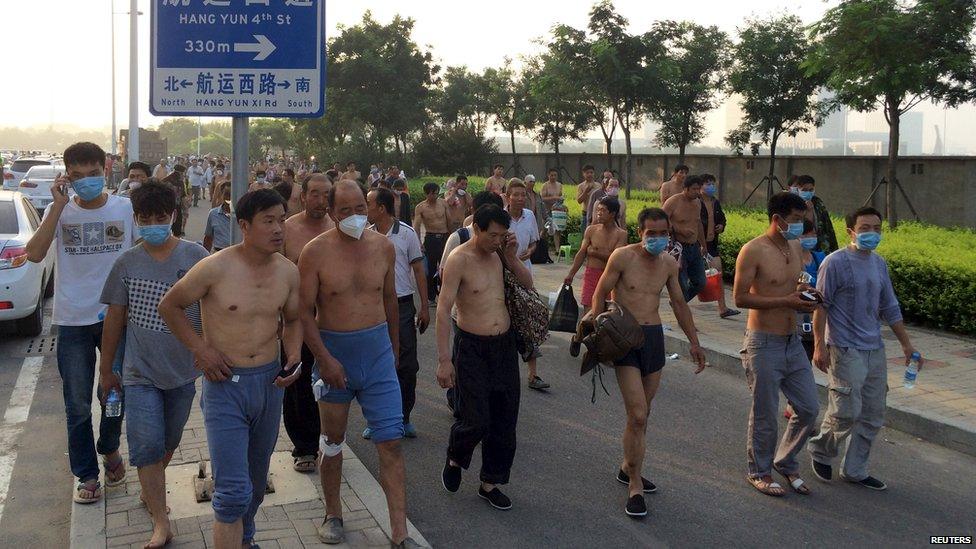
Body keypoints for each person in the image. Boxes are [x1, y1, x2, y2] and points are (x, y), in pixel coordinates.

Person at [158, 189, 302, 549]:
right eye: (268, 221)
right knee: (232, 493)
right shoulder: (215, 266)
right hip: (225, 386)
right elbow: (170, 306)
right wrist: (201, 349)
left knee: (254, 484)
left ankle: (245, 540)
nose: (278, 228)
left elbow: (296, 319)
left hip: (269, 385)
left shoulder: (288, 272)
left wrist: (294, 355)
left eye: (281, 219)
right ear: (244, 225)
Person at [298, 181, 419, 548]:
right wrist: (324, 359)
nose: (354, 216)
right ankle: (332, 513)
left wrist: (394, 349)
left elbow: (389, 301)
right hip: (334, 357)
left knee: (391, 442)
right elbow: (303, 312)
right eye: (345, 210)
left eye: (359, 209)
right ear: (333, 212)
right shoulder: (314, 253)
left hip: (378, 355)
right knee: (332, 441)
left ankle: (400, 532)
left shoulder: (383, 247)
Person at [98, 181, 208, 548]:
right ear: (136, 220)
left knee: (169, 441)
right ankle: (161, 522)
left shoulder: (195, 257)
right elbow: (115, 318)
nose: (154, 225)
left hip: (183, 371)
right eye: (146, 219)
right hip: (138, 372)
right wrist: (106, 369)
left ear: (173, 217)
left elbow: (213, 307)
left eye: (161, 218)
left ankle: (151, 490)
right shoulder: (126, 263)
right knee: (145, 444)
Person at [25, 141, 136, 505]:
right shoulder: (61, 212)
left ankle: (109, 446)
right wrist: (57, 207)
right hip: (72, 320)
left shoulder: (125, 208)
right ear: (66, 178)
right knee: (75, 404)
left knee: (114, 395)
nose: (86, 182)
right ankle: (87, 474)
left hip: (115, 318)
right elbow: (36, 253)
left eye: (93, 175)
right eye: (77, 177)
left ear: (105, 170)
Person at [590, 207, 707, 518]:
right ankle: (635, 486)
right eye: (651, 233)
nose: (657, 239)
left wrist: (695, 343)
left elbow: (680, 304)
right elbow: (600, 293)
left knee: (643, 413)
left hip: (653, 339)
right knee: (638, 414)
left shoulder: (669, 263)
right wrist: (596, 325)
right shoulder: (622, 257)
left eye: (662, 233)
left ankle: (627, 465)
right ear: (640, 232)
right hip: (625, 338)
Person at [807, 207, 920, 491]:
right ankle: (821, 450)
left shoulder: (878, 264)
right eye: (866, 228)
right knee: (846, 410)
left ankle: (855, 469)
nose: (872, 233)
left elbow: (889, 307)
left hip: (874, 348)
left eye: (877, 228)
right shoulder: (834, 263)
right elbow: (821, 306)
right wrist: (819, 346)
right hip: (844, 347)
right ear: (851, 231)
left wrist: (907, 344)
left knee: (872, 412)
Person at [436, 204, 534, 511]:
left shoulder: (500, 255)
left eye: (502, 235)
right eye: (493, 235)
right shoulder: (459, 259)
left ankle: (490, 482)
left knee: (505, 420)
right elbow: (442, 308)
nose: (497, 240)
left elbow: (527, 284)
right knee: (475, 418)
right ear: (477, 229)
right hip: (472, 348)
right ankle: (456, 456)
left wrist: (510, 256)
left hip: (503, 346)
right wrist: (443, 360)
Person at [732, 192, 821, 498]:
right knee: (765, 413)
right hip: (762, 343)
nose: (800, 226)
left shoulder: (795, 245)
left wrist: (805, 294)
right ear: (777, 219)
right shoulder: (753, 250)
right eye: (796, 220)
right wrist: (785, 300)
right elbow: (740, 297)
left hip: (792, 341)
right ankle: (759, 471)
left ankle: (785, 460)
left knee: (809, 408)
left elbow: (793, 284)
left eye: (802, 219)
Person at [279, 173, 335, 472]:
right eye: (314, 193)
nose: (320, 200)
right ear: (303, 197)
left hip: (330, 320)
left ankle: (330, 440)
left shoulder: (337, 228)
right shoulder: (287, 230)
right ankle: (304, 447)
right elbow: (274, 273)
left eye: (326, 194)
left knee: (329, 381)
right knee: (298, 382)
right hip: (295, 321)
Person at [366, 187, 430, 439]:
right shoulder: (365, 235)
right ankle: (376, 419)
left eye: (368, 204)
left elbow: (418, 271)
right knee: (375, 365)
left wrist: (424, 307)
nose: (365, 208)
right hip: (374, 306)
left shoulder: (407, 234)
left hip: (403, 306)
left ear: (381, 208)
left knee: (405, 364)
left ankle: (404, 417)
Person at [504, 180, 548, 390]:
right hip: (504, 276)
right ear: (507, 197)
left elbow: (534, 241)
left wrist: (530, 251)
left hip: (525, 274)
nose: (521, 198)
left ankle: (533, 374)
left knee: (528, 322)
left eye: (523, 195)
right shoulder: (500, 218)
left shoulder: (529, 216)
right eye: (516, 195)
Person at [565, 196, 629, 310]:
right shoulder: (591, 230)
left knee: (608, 312)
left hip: (610, 276)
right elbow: (582, 252)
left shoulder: (621, 234)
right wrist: (571, 274)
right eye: (598, 210)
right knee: (588, 311)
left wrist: (594, 253)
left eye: (603, 210)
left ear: (613, 214)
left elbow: (615, 259)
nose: (599, 213)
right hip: (591, 274)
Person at [663, 175, 708, 303]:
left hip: (694, 247)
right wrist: (680, 230)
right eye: (694, 189)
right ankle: (680, 306)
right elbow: (662, 221)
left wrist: (703, 245)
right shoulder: (673, 202)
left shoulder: (698, 202)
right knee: (681, 284)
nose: (697, 192)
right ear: (686, 188)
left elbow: (698, 223)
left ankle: (678, 303)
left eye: (699, 189)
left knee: (700, 282)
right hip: (678, 248)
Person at [700, 174, 740, 319]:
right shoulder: (695, 202)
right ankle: (679, 301)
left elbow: (722, 218)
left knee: (718, 275)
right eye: (707, 183)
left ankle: (722, 308)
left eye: (712, 183)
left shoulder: (715, 202)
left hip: (711, 244)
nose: (711, 186)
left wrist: (721, 226)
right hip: (696, 244)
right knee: (690, 277)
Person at [413, 182, 450, 305]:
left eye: (436, 193)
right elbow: (416, 226)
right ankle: (431, 297)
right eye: (433, 193)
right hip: (431, 239)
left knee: (447, 267)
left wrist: (452, 237)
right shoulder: (421, 207)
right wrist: (419, 243)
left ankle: (446, 295)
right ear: (427, 193)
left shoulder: (443, 203)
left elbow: (449, 220)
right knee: (431, 268)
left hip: (444, 237)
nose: (435, 195)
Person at [796, 219, 826, 359]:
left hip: (818, 310)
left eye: (813, 235)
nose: (810, 239)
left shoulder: (820, 257)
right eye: (805, 235)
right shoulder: (791, 260)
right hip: (799, 314)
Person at [789, 175, 839, 253]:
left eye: (811, 190)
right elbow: (805, 227)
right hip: (799, 246)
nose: (808, 193)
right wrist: (808, 211)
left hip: (820, 246)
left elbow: (827, 226)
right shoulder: (793, 204)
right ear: (797, 189)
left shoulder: (817, 203)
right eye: (804, 190)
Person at [540, 168, 565, 250]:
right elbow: (542, 198)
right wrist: (554, 197)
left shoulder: (559, 185)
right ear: (548, 175)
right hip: (547, 210)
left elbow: (561, 197)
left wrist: (560, 201)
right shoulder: (545, 185)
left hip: (556, 210)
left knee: (557, 230)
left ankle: (557, 249)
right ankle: (540, 247)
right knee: (544, 230)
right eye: (552, 175)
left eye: (555, 175)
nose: (553, 177)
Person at [203, 184, 232, 253]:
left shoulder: (244, 214)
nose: (229, 198)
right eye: (227, 194)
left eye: (232, 195)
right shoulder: (213, 214)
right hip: (218, 253)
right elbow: (208, 238)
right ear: (222, 195)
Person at [576, 164, 599, 232]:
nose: (589, 174)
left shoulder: (598, 185)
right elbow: (579, 201)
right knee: (585, 235)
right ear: (583, 174)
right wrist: (585, 192)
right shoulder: (581, 186)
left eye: (591, 172)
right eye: (587, 173)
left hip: (597, 214)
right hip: (586, 214)